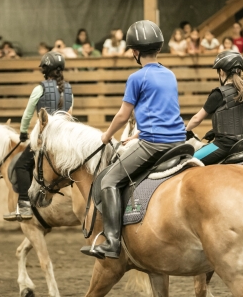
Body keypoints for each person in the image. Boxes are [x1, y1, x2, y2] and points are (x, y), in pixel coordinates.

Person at [80, 20, 186, 259]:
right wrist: (137, 132)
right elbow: (163, 112)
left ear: (135, 52)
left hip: (154, 145)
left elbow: (123, 115)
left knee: (108, 180)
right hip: (179, 140)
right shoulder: (169, 74)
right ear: (158, 49)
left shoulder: (136, 78)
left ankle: (112, 242)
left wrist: (106, 136)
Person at [3, 52, 74, 221]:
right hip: (64, 139)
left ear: (45, 70)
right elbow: (70, 115)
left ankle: (25, 204)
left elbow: (27, 115)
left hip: (45, 140)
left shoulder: (39, 89)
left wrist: (22, 133)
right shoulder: (69, 89)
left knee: (21, 165)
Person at [185, 51, 243, 165]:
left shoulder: (219, 93)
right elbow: (237, 117)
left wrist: (186, 130)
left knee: (187, 161)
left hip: (225, 145)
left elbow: (197, 119)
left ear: (221, 72)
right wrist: (216, 130)